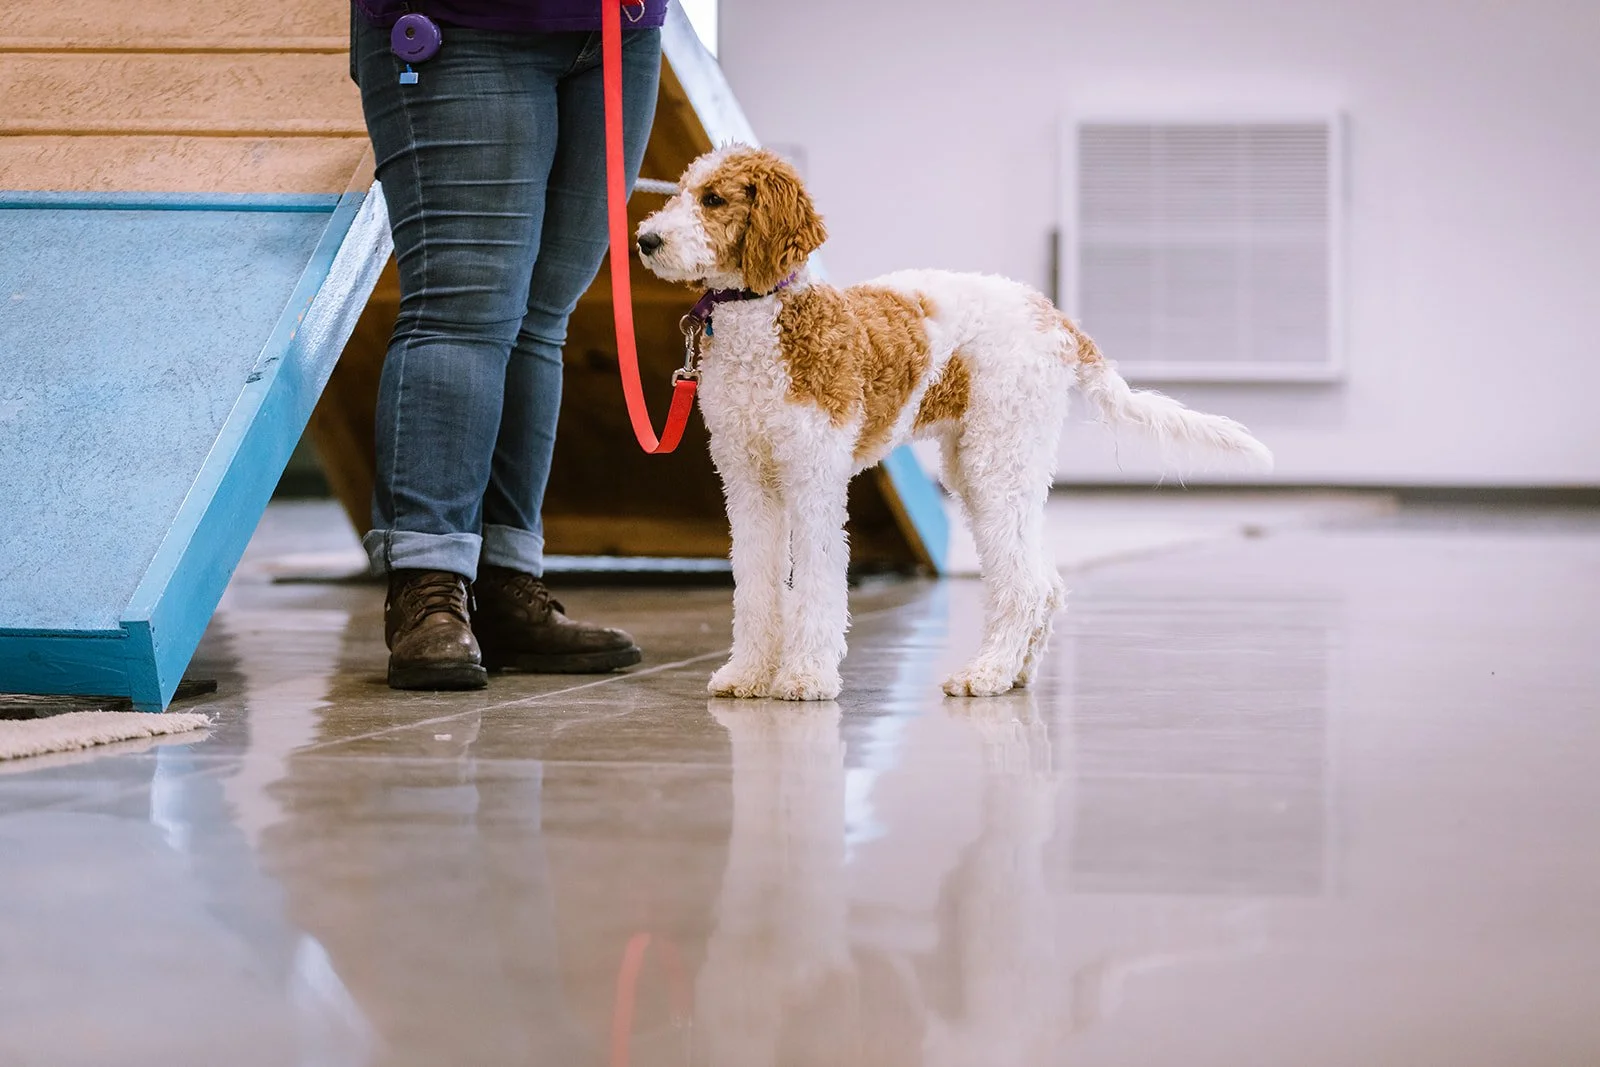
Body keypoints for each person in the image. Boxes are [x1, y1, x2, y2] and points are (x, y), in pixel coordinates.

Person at [349, 0, 665, 690]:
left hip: (617, 31)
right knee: (463, 307)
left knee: (541, 315)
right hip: (463, 26)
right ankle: (427, 589)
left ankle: (503, 584)